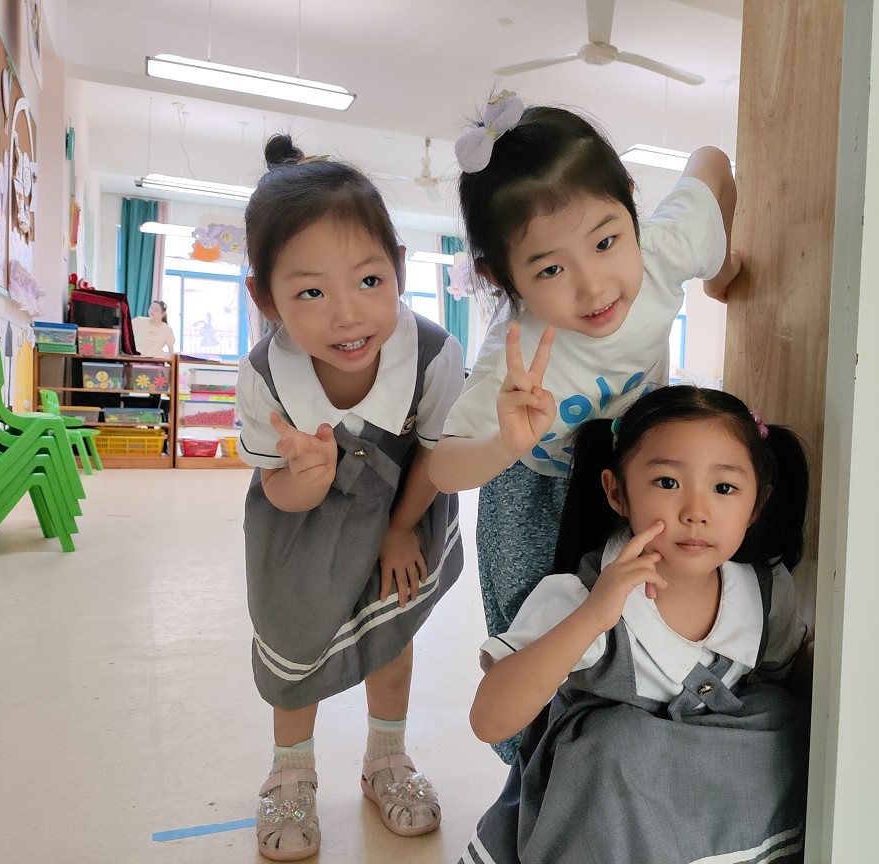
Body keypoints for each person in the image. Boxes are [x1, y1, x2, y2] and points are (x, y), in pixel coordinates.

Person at [428, 90, 742, 761]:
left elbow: (712, 165)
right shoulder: (514, 356)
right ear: (502, 279)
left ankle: (624, 750)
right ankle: (537, 768)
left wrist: (724, 269)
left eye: (605, 241)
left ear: (631, 207)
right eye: (550, 269)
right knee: (536, 645)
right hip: (535, 486)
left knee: (644, 608)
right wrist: (504, 443)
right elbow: (443, 468)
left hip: (634, 471)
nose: (594, 287)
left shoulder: (663, 250)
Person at [460, 385, 813, 864]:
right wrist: (592, 617)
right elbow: (488, 721)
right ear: (617, 492)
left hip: (709, 802)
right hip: (608, 818)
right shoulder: (579, 594)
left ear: (757, 504)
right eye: (667, 482)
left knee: (781, 713)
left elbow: (788, 681)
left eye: (724, 488)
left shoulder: (767, 591)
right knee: (618, 741)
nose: (696, 512)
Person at [236, 134, 465, 860]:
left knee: (391, 635)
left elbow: (436, 452)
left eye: (369, 280)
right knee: (296, 643)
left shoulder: (432, 352)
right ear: (265, 298)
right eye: (310, 292)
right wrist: (303, 481)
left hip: (403, 504)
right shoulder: (265, 377)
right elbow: (276, 489)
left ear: (399, 267)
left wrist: (401, 530)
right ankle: (291, 771)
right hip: (300, 529)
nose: (347, 315)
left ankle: (385, 759)